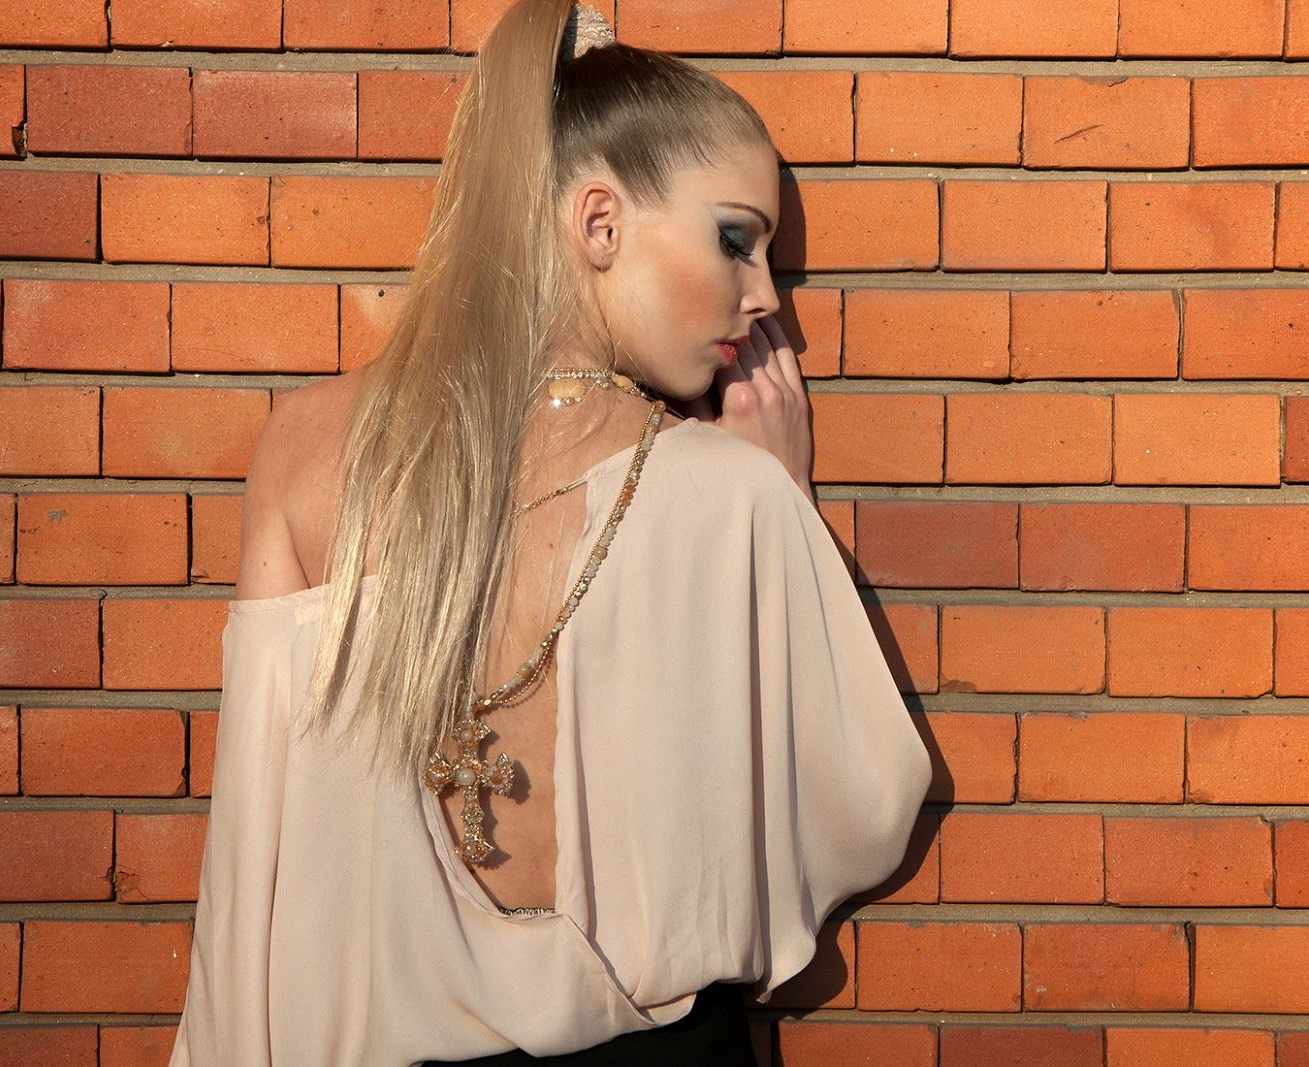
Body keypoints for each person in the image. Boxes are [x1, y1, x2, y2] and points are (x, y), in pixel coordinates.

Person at [166, 1, 933, 1064]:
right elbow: (846, 817)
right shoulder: (730, 494)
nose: (764, 297)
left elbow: (254, 855)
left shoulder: (299, 449)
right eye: (735, 239)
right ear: (599, 223)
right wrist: (780, 503)